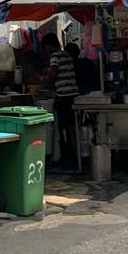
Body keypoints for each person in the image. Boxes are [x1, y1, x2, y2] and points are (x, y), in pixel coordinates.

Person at [43, 33, 79, 166]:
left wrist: (45, 79)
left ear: (49, 45)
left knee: (63, 127)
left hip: (63, 96)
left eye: (46, 47)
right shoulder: (66, 55)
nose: (46, 50)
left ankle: (66, 157)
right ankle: (72, 155)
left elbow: (53, 73)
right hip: (73, 94)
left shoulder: (55, 56)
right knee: (70, 126)